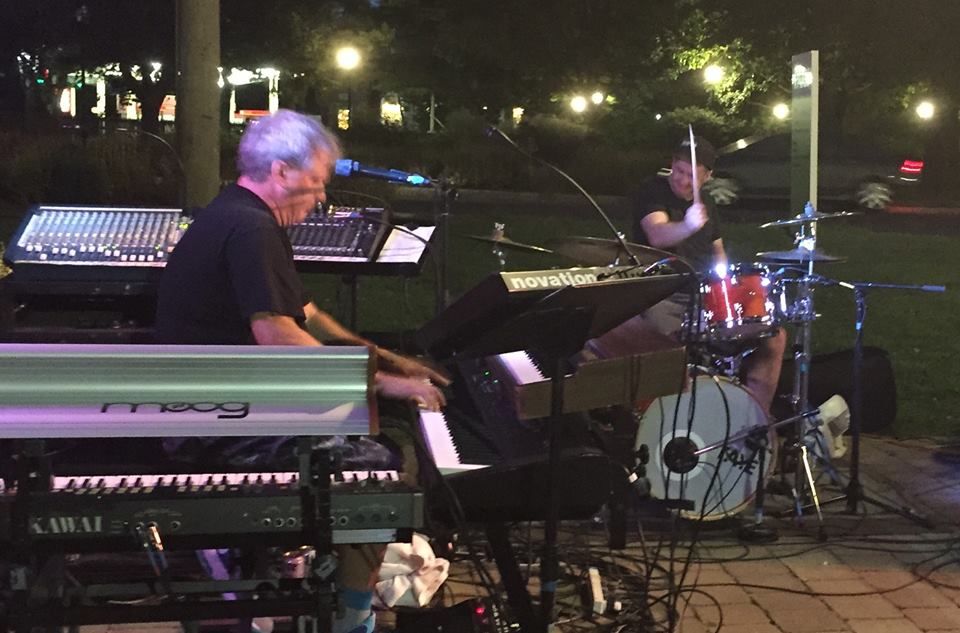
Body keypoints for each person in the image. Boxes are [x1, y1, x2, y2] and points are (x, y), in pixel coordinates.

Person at [155, 109, 447, 633]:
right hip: (219, 427)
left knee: (372, 437)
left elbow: (307, 315)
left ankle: (302, 576)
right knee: (376, 467)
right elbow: (277, 335)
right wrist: (383, 384)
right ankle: (350, 614)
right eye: (316, 182)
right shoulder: (252, 228)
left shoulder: (237, 213)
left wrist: (386, 357)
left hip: (216, 407)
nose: (322, 197)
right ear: (281, 171)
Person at [629, 135, 786, 414]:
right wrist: (688, 225)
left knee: (773, 337)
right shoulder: (652, 190)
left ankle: (755, 420)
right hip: (663, 295)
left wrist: (728, 291)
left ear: (707, 177)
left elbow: (718, 251)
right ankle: (658, 415)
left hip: (705, 298)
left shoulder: (708, 203)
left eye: (691, 175)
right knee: (662, 341)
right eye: (678, 170)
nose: (682, 180)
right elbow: (657, 234)